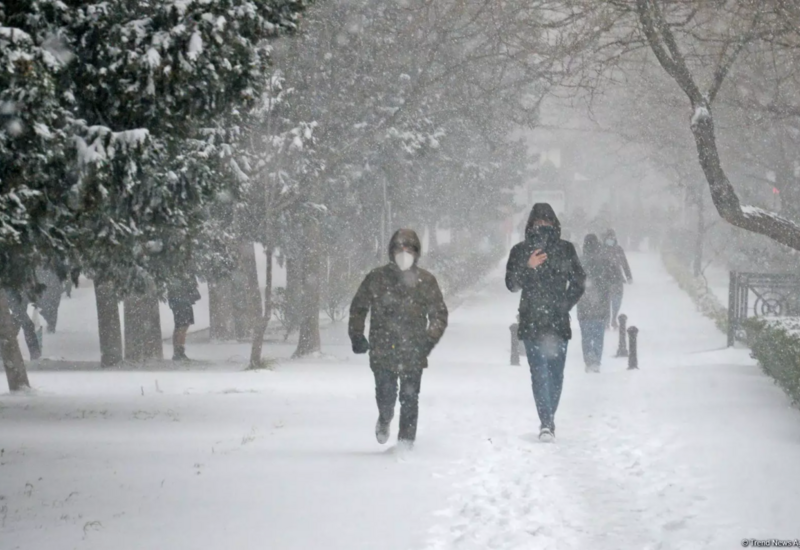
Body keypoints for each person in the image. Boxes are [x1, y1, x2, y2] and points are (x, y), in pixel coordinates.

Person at [349, 229, 448, 450]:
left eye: (409, 249)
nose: (404, 253)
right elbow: (359, 307)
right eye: (399, 249)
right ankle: (385, 418)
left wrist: (428, 340)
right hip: (382, 349)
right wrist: (357, 335)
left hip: (413, 350)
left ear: (416, 252)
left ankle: (405, 444)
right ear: (391, 252)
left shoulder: (425, 281)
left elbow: (439, 314)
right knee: (386, 395)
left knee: (410, 398)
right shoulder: (376, 278)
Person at [506, 203, 585, 442]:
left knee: (556, 374)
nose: (542, 226)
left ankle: (549, 418)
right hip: (531, 322)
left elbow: (579, 282)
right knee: (538, 373)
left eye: (547, 222)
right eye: (538, 222)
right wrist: (528, 267)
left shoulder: (565, 249)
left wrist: (564, 304)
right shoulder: (520, 251)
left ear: (555, 224)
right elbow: (512, 284)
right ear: (530, 225)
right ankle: (546, 422)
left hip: (558, 323)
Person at [578, 234, 613, 373]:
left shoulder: (579, 261)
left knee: (586, 335)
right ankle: (596, 360)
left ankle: (588, 360)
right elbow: (610, 280)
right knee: (598, 334)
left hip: (583, 304)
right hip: (601, 304)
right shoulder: (604, 261)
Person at [602, 228, 633, 330]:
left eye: (612, 237)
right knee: (605, 301)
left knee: (617, 300)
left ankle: (614, 318)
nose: (610, 239)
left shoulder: (618, 249)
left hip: (617, 279)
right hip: (605, 279)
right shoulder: (601, 249)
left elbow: (624, 263)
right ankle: (606, 320)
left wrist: (628, 276)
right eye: (608, 237)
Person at [167, 275, 201, 362]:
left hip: (180, 302)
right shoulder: (181, 275)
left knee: (180, 327)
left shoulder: (176, 275)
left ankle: (178, 351)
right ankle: (179, 351)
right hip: (182, 303)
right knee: (182, 327)